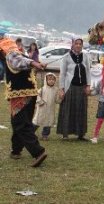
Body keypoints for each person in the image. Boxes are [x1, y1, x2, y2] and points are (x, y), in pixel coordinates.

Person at [0, 29, 48, 167]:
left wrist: (34, 63)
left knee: (20, 124)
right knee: (19, 122)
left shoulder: (9, 52)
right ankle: (16, 151)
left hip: (21, 94)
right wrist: (34, 64)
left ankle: (38, 152)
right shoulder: (17, 51)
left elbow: (17, 61)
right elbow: (23, 61)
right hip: (29, 94)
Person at [57, 36, 91, 140]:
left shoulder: (85, 56)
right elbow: (62, 74)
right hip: (70, 87)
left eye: (80, 44)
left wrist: (88, 86)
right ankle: (65, 134)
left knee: (81, 110)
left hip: (82, 87)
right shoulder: (66, 57)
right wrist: (61, 89)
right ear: (72, 44)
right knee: (68, 110)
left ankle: (81, 134)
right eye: (76, 43)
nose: (78, 45)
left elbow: (88, 72)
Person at [33, 73, 60, 141]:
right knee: (37, 121)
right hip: (42, 108)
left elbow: (57, 100)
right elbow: (37, 96)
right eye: (49, 79)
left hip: (50, 109)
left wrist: (61, 98)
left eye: (53, 79)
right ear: (46, 80)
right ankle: (30, 132)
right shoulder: (42, 89)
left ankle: (45, 135)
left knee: (48, 122)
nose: (51, 81)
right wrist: (40, 102)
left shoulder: (56, 90)